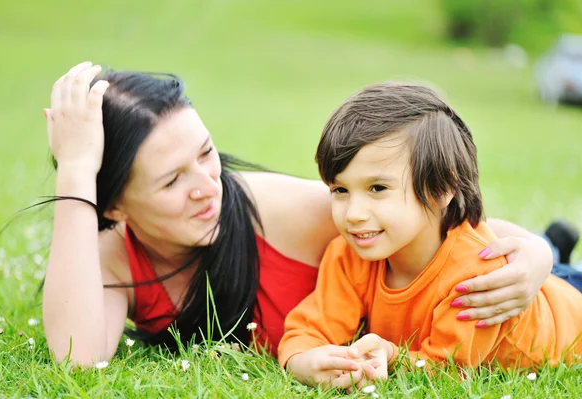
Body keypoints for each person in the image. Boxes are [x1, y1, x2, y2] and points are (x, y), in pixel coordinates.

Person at [43, 62, 554, 366]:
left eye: (206, 154)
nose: (207, 187)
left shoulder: (277, 208)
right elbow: (76, 358)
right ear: (113, 204)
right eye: (172, 180)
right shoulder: (109, 261)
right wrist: (76, 169)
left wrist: (537, 253)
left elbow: (444, 223)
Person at [278, 82, 582, 389]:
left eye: (378, 188)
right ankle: (556, 246)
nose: (353, 213)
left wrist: (392, 356)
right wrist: (302, 359)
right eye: (340, 190)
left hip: (572, 311)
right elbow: (310, 328)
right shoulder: (348, 254)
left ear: (441, 189)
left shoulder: (476, 275)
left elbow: (447, 369)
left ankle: (556, 249)